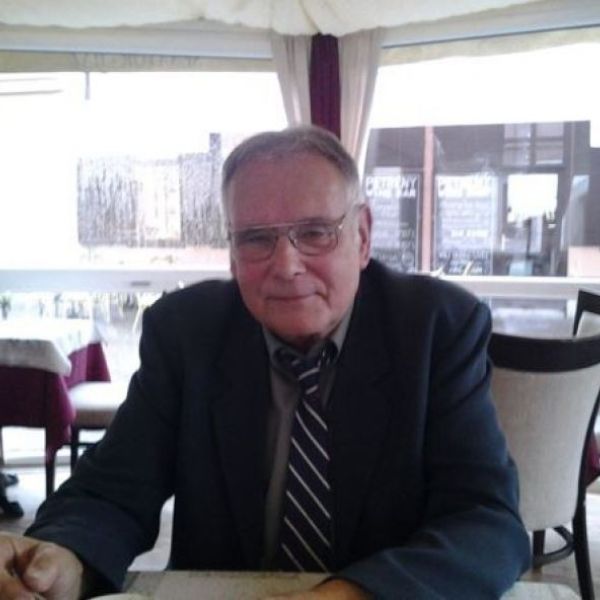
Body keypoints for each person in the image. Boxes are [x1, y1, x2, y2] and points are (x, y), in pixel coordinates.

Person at [0, 126, 530, 599]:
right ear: (233, 253)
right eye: (256, 238)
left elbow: (485, 520)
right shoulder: (187, 332)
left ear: (363, 236)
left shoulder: (436, 328)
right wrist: (64, 558)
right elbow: (112, 491)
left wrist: (350, 595)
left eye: (316, 232)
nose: (287, 265)